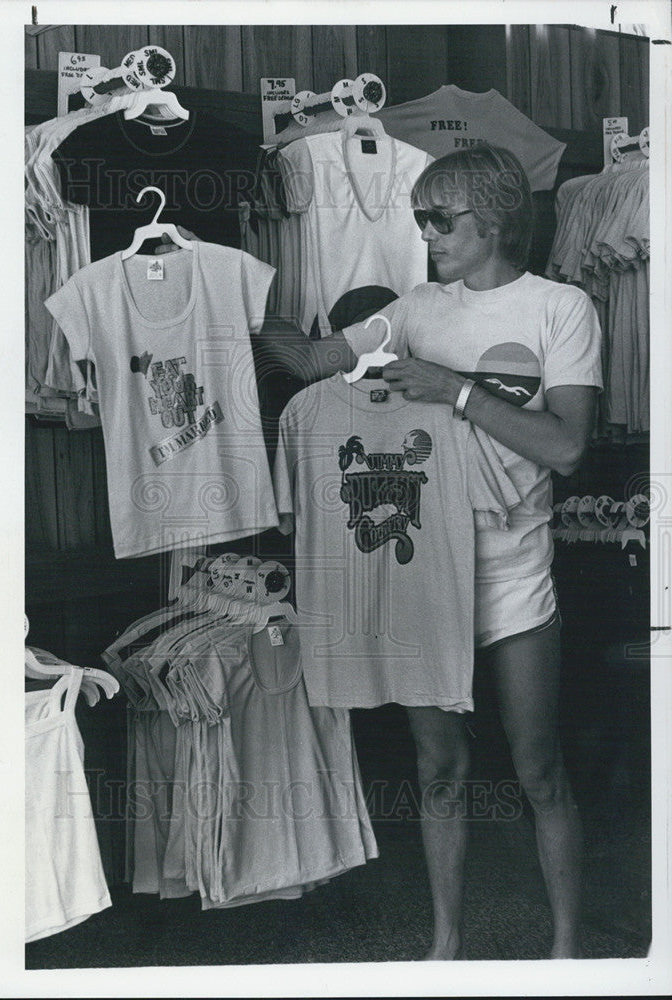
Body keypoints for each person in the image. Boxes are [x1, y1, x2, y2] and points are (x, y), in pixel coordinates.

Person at [159, 142, 603, 958]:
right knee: (439, 769)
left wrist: (453, 390)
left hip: (512, 570)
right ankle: (444, 944)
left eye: (442, 219)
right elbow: (308, 363)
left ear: (496, 218)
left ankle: (568, 950)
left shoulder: (560, 308)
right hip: (419, 573)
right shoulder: (410, 307)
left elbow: (567, 447)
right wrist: (219, 282)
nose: (426, 233)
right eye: (420, 219)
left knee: (538, 768)